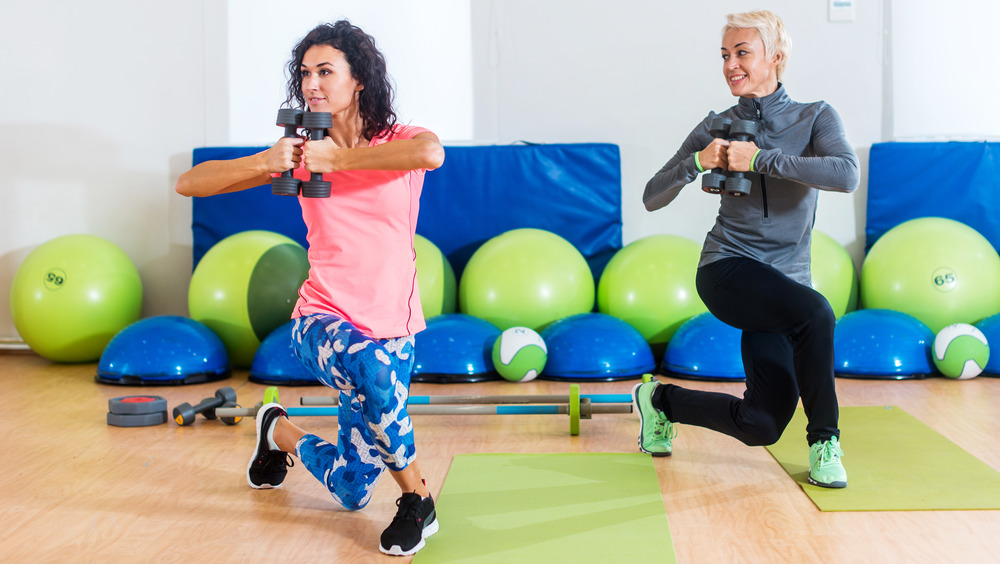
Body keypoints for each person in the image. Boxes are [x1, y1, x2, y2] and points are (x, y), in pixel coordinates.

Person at [175, 20, 445, 556]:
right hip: (320, 318)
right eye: (305, 73)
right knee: (369, 370)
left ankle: (276, 431)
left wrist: (340, 160)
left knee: (351, 490)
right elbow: (190, 184)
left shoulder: (397, 144)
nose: (312, 83)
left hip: (393, 327)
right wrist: (263, 162)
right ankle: (419, 500)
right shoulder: (300, 154)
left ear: (359, 79)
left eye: (326, 70)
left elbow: (431, 153)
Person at [633, 10, 859, 489]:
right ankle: (825, 441)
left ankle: (660, 402)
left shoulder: (814, 116)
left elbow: (846, 174)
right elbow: (652, 196)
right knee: (817, 313)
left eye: (742, 53)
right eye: (724, 55)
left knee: (762, 424)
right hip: (727, 268)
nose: (730, 65)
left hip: (784, 285)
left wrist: (762, 160)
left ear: (775, 57)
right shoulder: (717, 125)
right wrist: (698, 160)